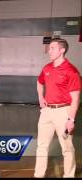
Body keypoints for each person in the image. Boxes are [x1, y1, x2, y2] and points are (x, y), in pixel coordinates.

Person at [34, 38, 80, 178]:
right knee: (41, 146)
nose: (49, 50)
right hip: (47, 111)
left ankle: (69, 175)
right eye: (50, 47)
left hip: (63, 111)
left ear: (62, 50)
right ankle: (38, 175)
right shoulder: (47, 68)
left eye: (53, 48)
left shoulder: (71, 71)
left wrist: (71, 119)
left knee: (67, 148)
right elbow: (39, 82)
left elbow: (76, 98)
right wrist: (41, 97)